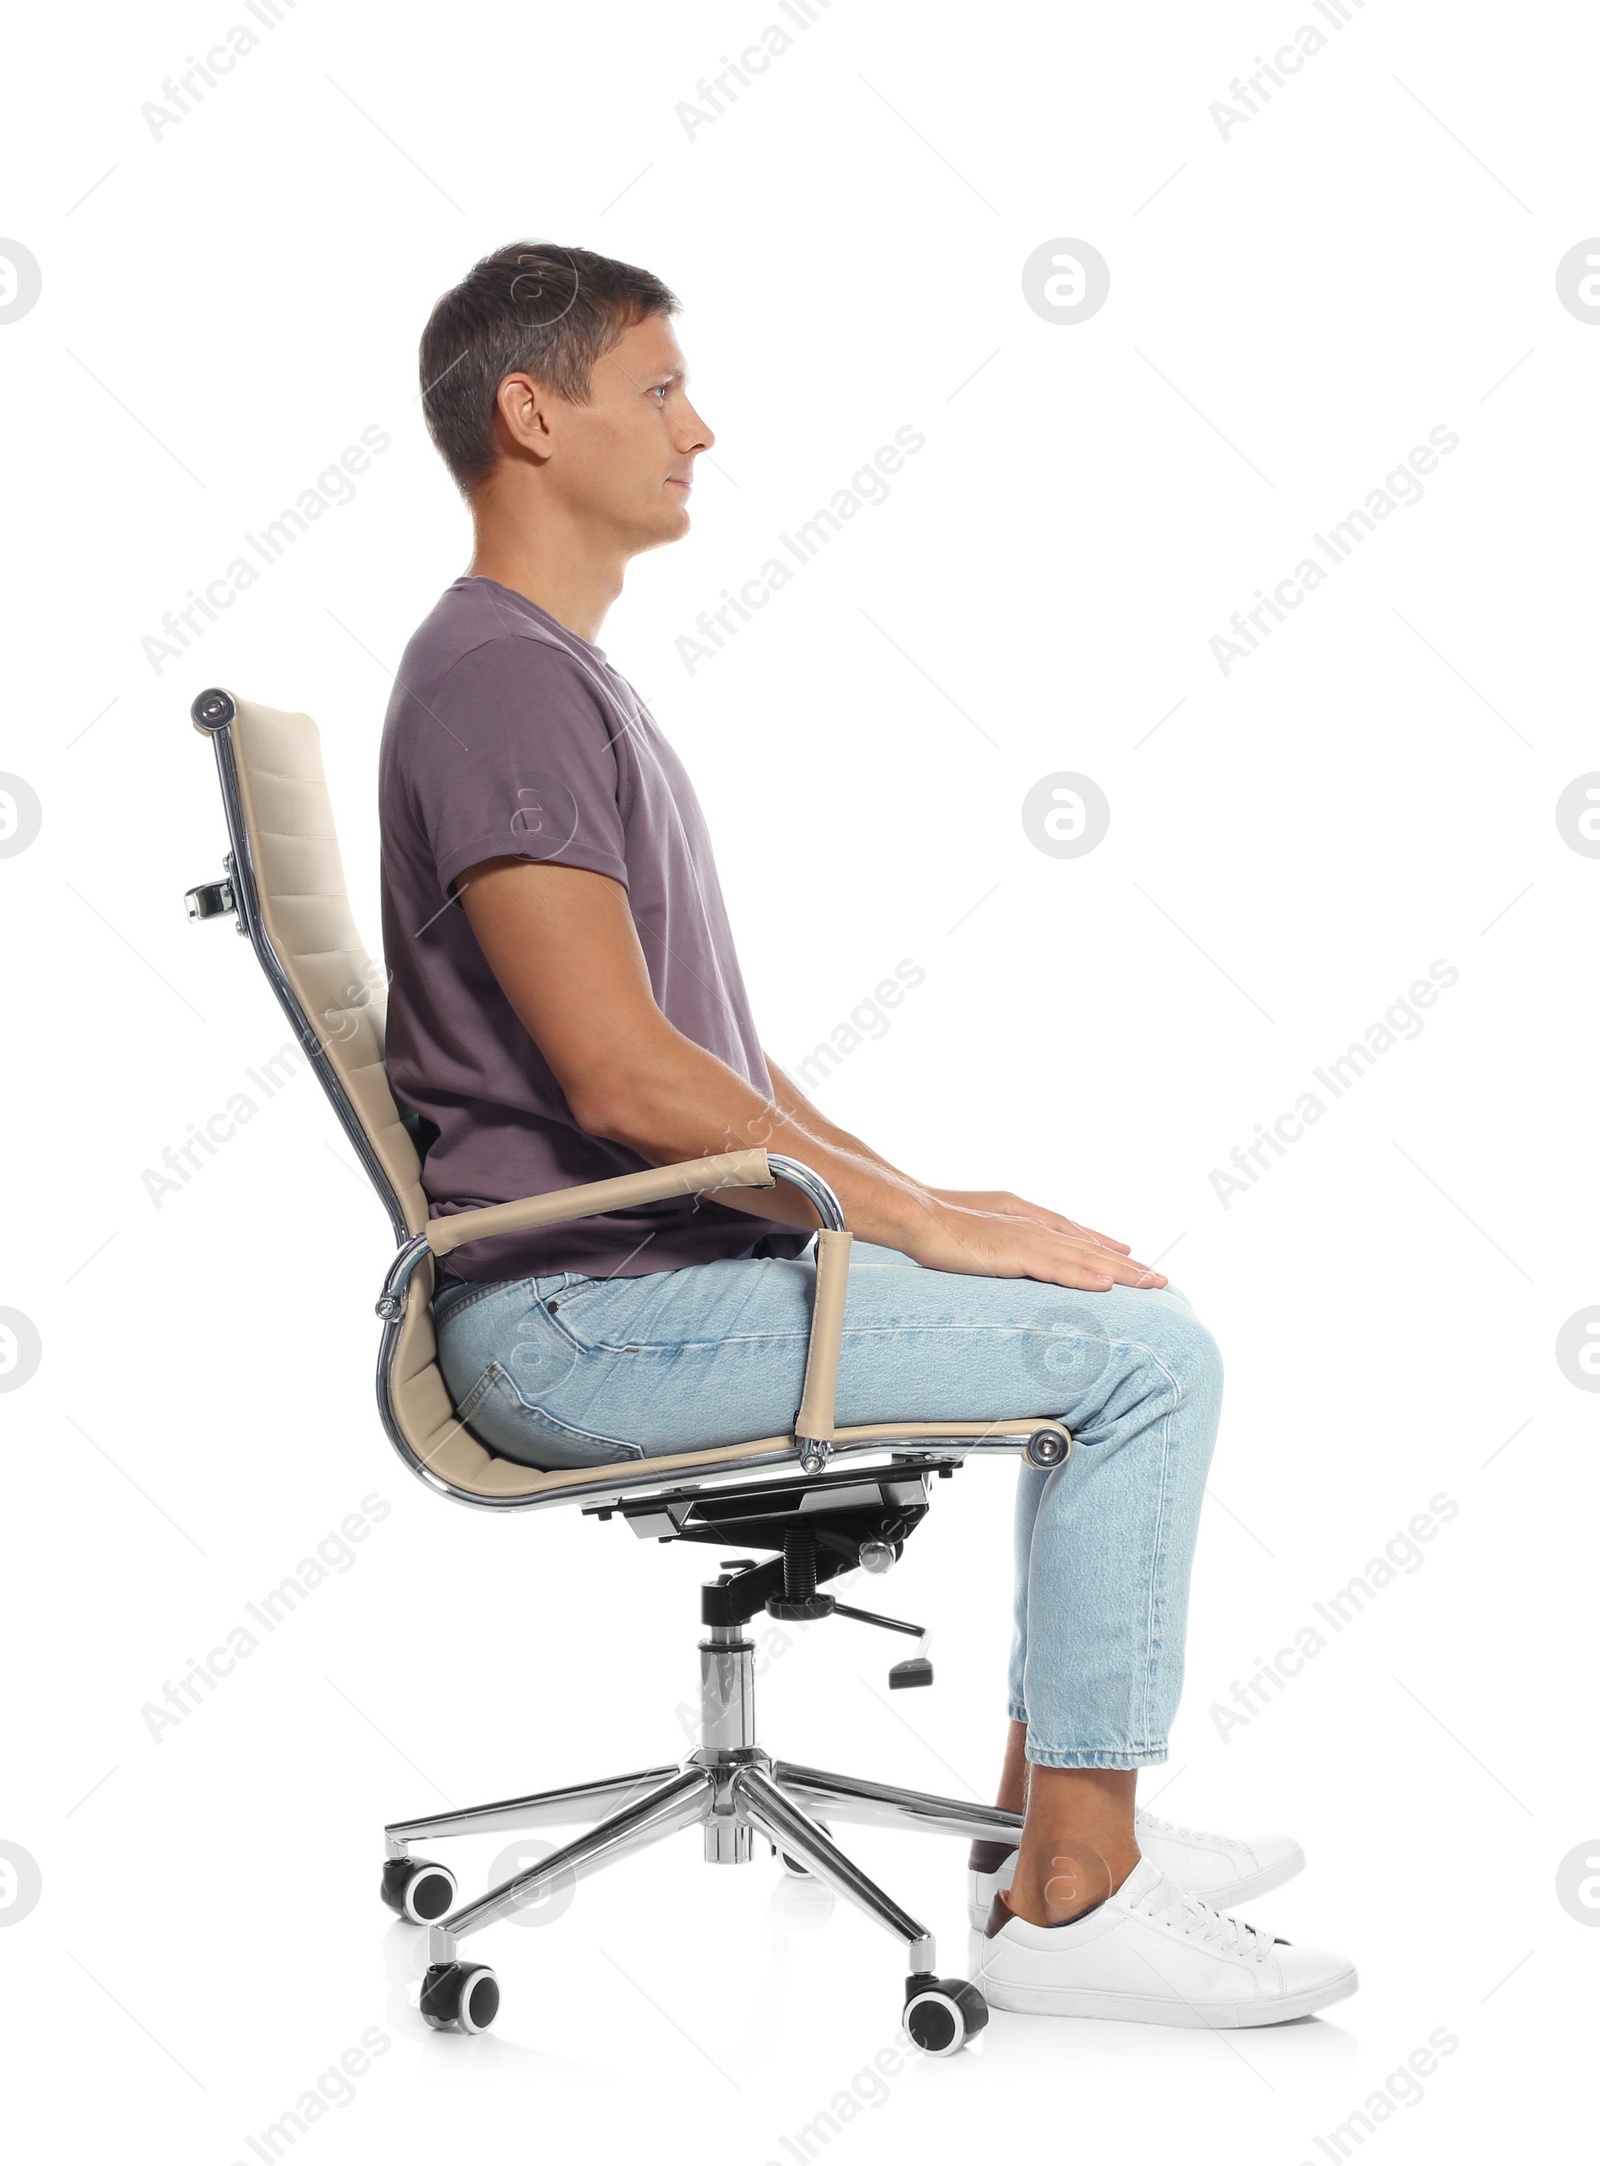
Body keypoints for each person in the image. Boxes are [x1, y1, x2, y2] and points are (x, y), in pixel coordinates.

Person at [377, 240, 1356, 2028]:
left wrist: (924, 1198)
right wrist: (911, 1223)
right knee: (1148, 1361)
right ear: (533, 414)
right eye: (659, 390)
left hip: (631, 1285)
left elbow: (710, 1056)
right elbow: (618, 1079)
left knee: (1112, 1320)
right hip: (581, 1321)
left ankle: (1051, 1822)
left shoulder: (544, 673)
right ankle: (1074, 1895)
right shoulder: (498, 685)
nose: (702, 428)